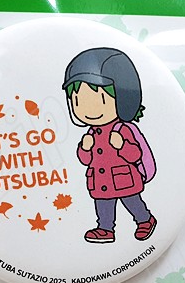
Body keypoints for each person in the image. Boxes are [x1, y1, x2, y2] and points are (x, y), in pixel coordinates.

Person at [63, 47, 157, 244]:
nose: (88, 110)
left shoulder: (122, 129)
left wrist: (122, 145)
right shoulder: (91, 133)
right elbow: (85, 160)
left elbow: (135, 154)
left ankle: (145, 220)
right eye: (78, 101)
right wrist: (84, 148)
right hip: (100, 180)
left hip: (124, 179)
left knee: (132, 201)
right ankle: (105, 228)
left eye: (100, 99)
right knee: (103, 204)